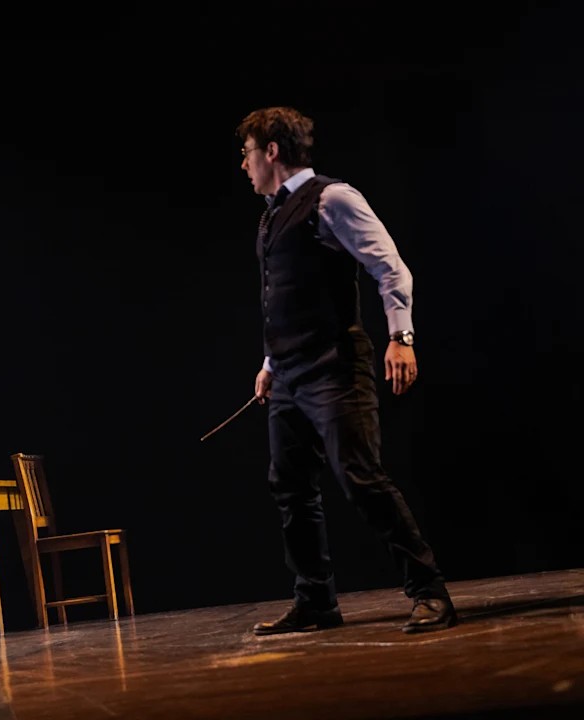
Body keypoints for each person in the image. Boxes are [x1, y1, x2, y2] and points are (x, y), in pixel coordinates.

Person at [234, 106, 456, 634]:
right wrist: (269, 364)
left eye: (247, 153)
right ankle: (316, 601)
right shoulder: (270, 216)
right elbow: (284, 298)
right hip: (289, 374)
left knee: (360, 478)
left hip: (334, 369)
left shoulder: (331, 199)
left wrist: (401, 337)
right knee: (289, 486)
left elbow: (390, 268)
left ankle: (430, 592)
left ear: (271, 150)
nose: (243, 165)